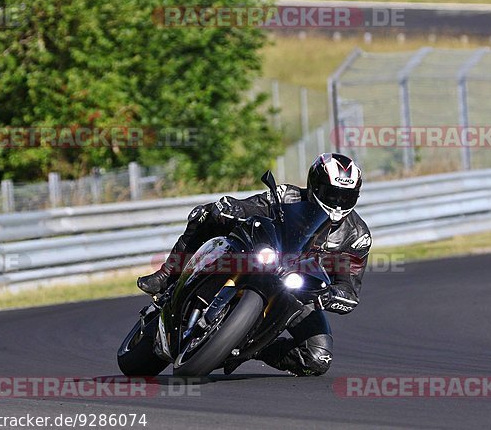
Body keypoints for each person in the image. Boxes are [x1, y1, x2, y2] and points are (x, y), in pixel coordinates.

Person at [137, 152, 372, 376]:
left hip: (298, 291)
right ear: (314, 186)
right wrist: (233, 208)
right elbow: (251, 205)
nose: (338, 203)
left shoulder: (357, 235)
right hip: (257, 256)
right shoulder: (285, 195)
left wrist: (330, 296)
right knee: (206, 215)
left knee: (318, 359)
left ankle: (252, 346)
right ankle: (167, 275)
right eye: (331, 194)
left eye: (345, 197)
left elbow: (349, 289)